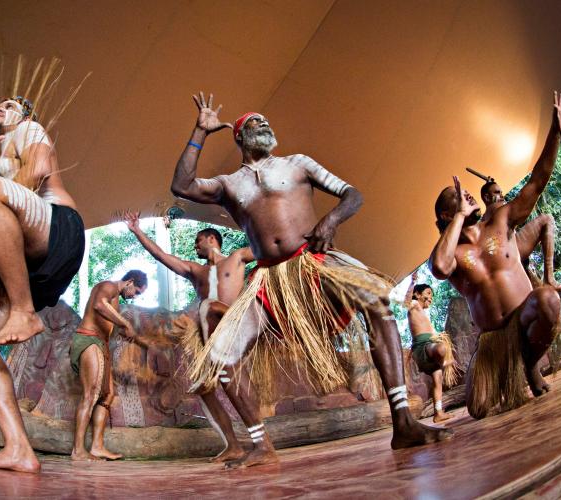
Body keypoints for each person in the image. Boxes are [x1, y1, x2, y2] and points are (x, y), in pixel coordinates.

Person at [171, 93, 451, 467]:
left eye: (266, 121)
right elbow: (182, 184)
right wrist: (200, 131)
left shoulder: (298, 164)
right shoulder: (228, 184)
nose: (264, 125)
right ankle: (260, 445)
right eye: (255, 122)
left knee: (376, 300)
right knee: (221, 354)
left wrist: (331, 221)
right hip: (270, 281)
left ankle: (403, 422)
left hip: (314, 263)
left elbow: (353, 194)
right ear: (238, 137)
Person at [429, 91, 561, 419]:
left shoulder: (501, 220)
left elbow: (536, 183)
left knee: (548, 300)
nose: (466, 193)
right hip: (493, 339)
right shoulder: (452, 253)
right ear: (447, 216)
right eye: (458, 196)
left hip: (524, 316)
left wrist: (555, 134)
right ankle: (504, 366)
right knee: (478, 408)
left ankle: (530, 366)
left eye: (465, 192)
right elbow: (438, 267)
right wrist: (460, 218)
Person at [0, 97, 85, 472]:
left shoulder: (29, 130)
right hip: (29, 266)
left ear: (25, 114)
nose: (1, 108)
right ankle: (19, 449)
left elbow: (35, 171)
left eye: (10, 104)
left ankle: (24, 311)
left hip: (57, 230)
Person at [125, 212, 252, 463]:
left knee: (234, 381)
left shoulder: (238, 258)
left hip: (235, 328)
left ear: (211, 239)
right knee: (204, 389)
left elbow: (271, 249)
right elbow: (162, 256)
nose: (195, 245)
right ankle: (233, 445)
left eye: (198, 241)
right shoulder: (196, 271)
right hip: (210, 337)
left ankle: (260, 442)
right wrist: (138, 231)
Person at [70, 270, 148, 461]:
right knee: (92, 393)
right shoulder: (108, 286)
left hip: (100, 345)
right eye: (136, 292)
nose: (134, 297)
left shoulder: (116, 302)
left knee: (108, 394)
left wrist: (141, 341)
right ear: (129, 281)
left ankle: (97, 446)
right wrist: (124, 323)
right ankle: (78, 450)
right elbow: (98, 305)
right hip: (89, 340)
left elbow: (110, 326)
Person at [476, 177, 561, 291]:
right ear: (486, 197)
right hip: (505, 254)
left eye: (501, 193)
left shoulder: (496, 214)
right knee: (546, 219)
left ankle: (548, 279)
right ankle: (548, 279)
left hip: (514, 251)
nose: (502, 196)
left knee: (546, 219)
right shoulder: (490, 214)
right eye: (497, 193)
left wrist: (491, 185)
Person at [402, 272, 457, 423]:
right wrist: (412, 282)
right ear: (418, 295)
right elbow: (405, 303)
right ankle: (444, 361)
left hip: (428, 348)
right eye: (428, 293)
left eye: (432, 295)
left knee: (438, 380)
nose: (430, 297)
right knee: (441, 349)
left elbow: (433, 333)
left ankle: (438, 413)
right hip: (423, 347)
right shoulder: (414, 306)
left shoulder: (425, 315)